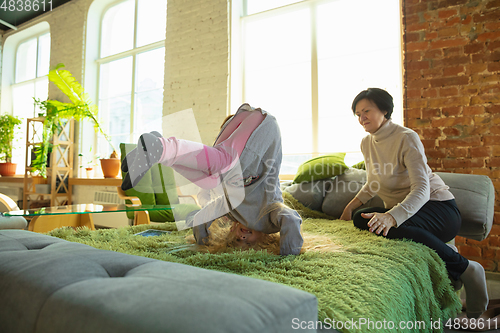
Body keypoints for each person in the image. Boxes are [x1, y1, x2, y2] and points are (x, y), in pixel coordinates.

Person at [339, 88, 489, 319]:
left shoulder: (406, 137)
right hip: (407, 212)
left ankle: (467, 268)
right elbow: (373, 183)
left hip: (438, 208)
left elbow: (422, 189)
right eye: (358, 114)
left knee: (390, 224)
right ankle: (438, 248)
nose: (362, 118)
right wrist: (350, 207)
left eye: (366, 111)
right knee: (362, 218)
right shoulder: (367, 143)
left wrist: (391, 216)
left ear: (385, 110)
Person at [121, 103, 303, 256]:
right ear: (266, 239)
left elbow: (202, 218)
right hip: (265, 129)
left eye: (238, 241)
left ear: (231, 232)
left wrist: (203, 241)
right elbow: (291, 221)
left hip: (240, 122)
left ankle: (159, 151)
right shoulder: (270, 216)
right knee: (226, 164)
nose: (243, 238)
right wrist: (288, 255)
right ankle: (160, 147)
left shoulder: (232, 210)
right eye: (248, 244)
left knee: (211, 180)